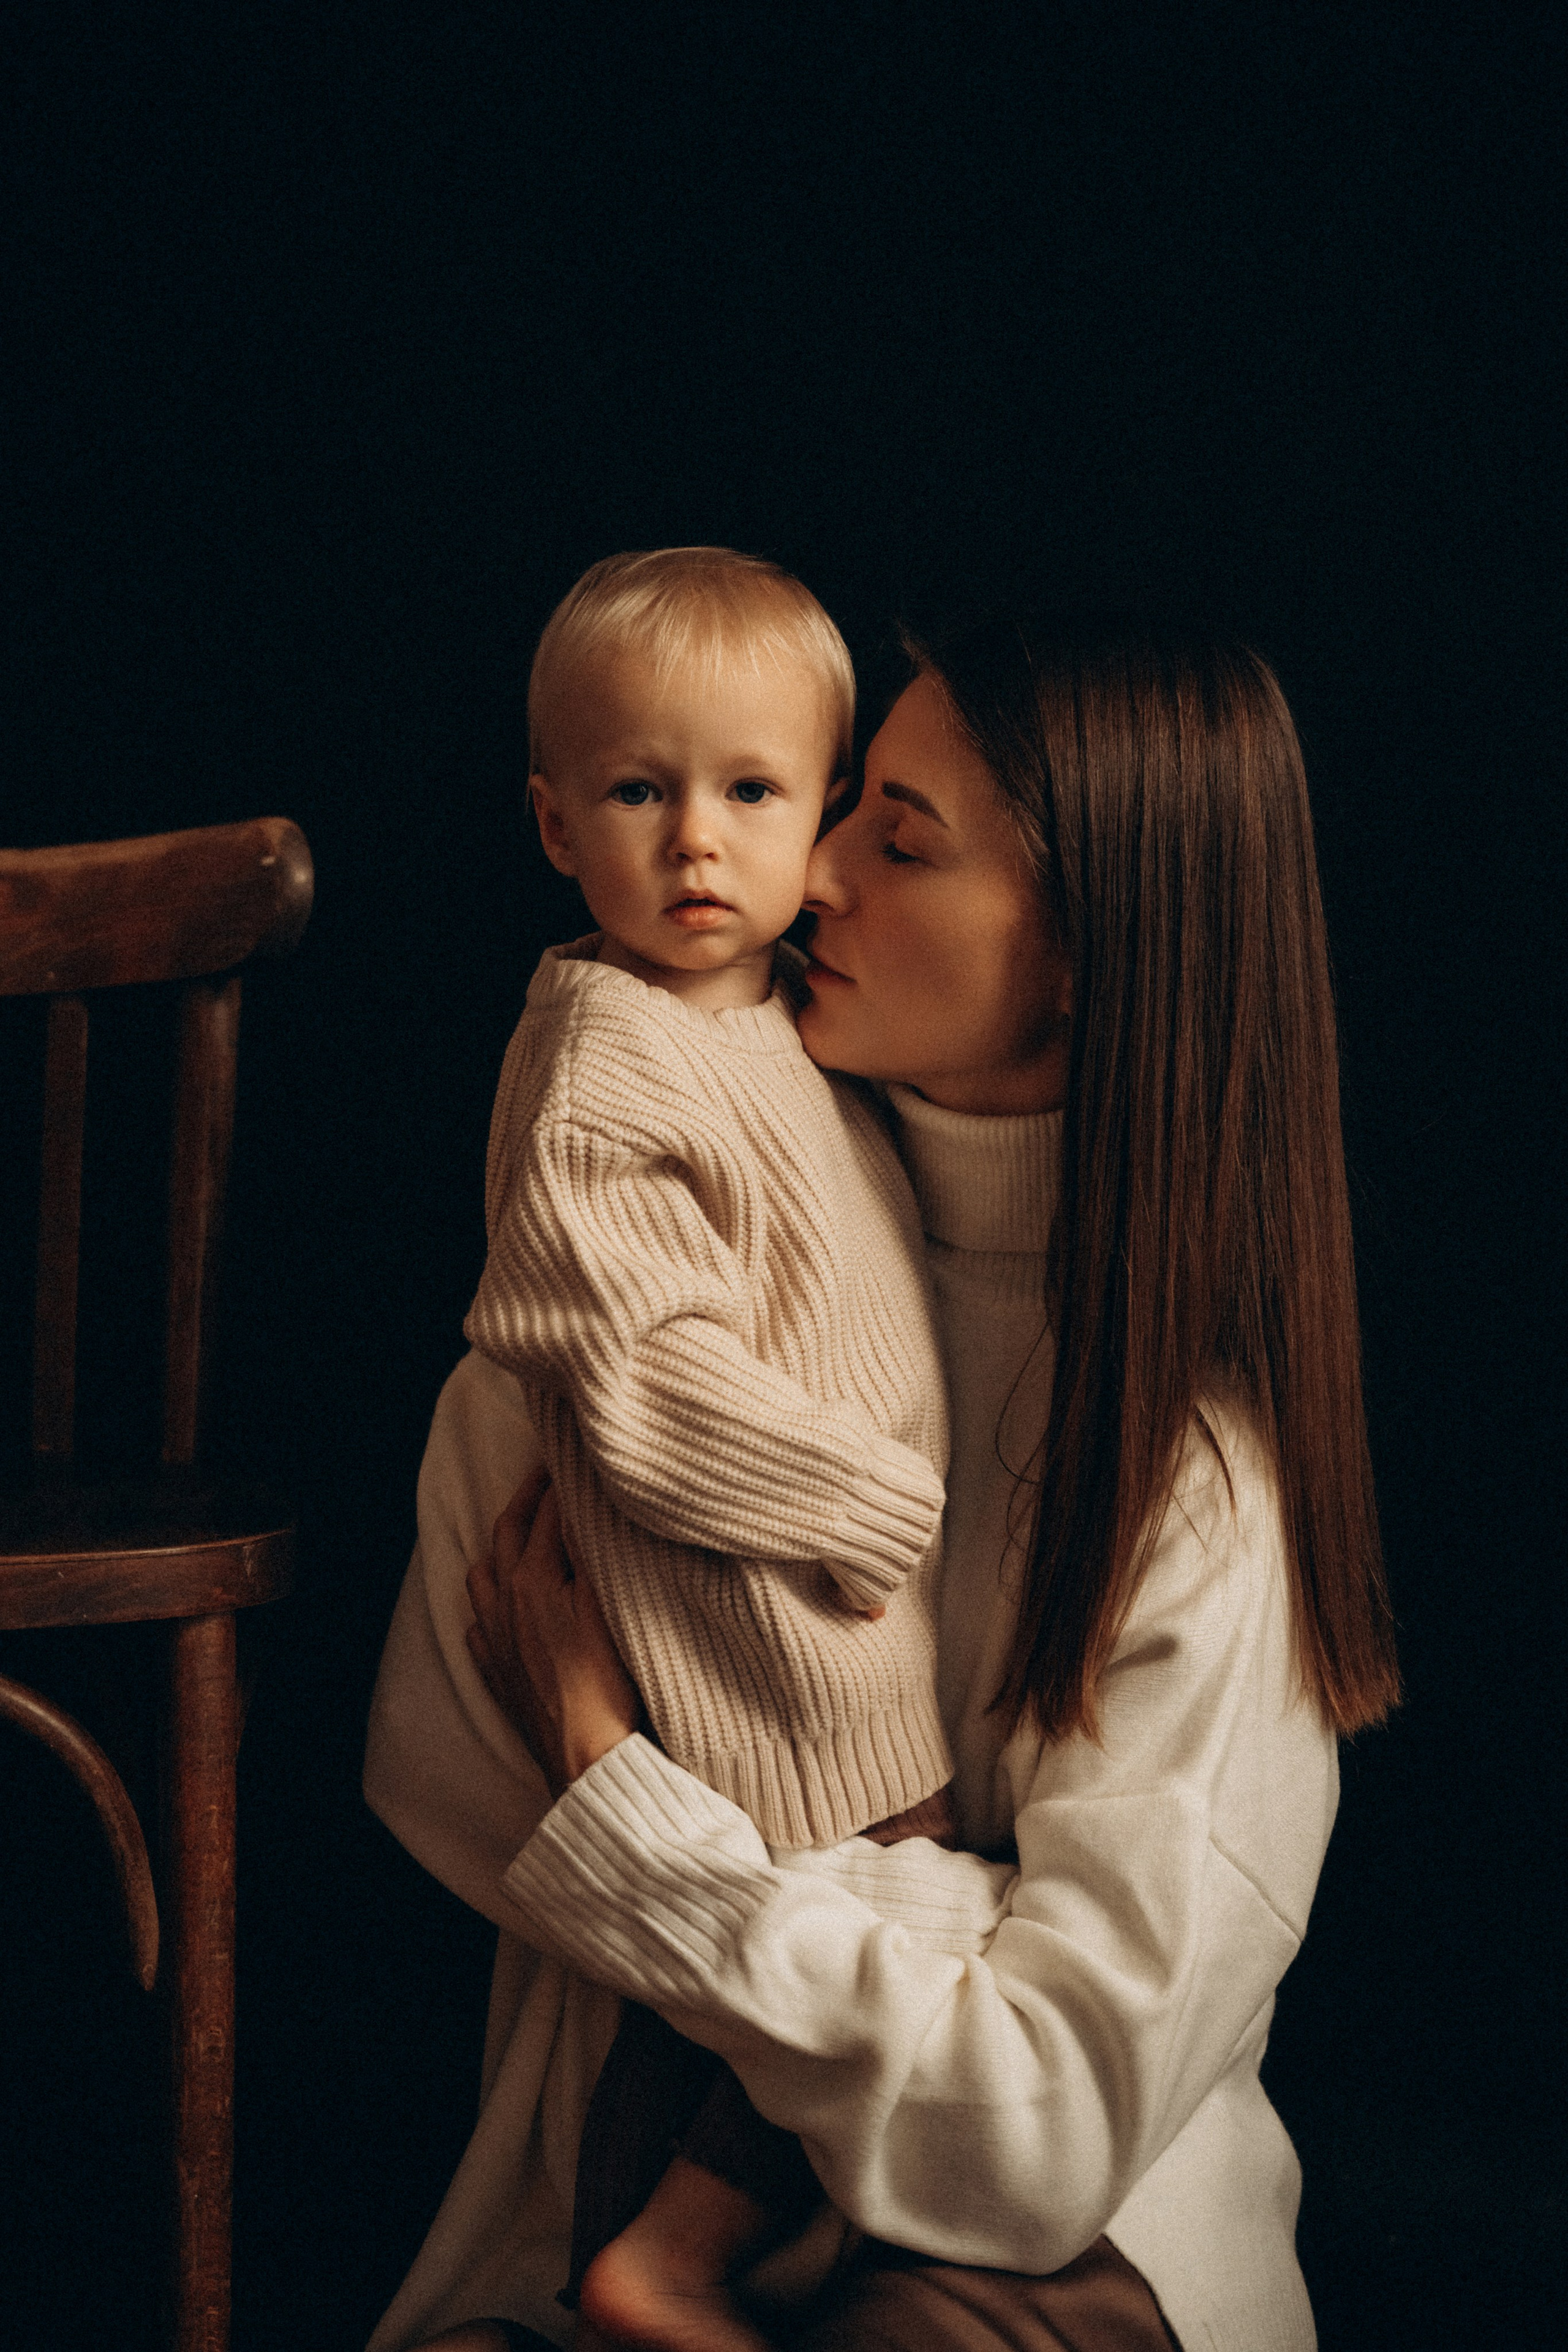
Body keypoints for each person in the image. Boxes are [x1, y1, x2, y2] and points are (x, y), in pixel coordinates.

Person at [364, 613, 1400, 2352]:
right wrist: (955, 1930)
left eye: (897, 839)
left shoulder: (1201, 1488)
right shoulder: (645, 1292)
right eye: (842, 806)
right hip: (611, 2200)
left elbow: (1045, 2133)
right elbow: (438, 1767)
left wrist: (624, 1792)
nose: (804, 873)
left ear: (1088, 951)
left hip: (1061, 2274)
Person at [451, 545, 973, 2350]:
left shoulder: (782, 1028)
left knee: (859, 1968)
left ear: (821, 814)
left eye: (749, 792)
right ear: (550, 824)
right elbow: (650, 1388)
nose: (694, 843)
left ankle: (672, 2255)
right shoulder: (604, 1060)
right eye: (635, 792)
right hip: (756, 1621)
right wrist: (874, 1502)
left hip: (841, 1617)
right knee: (827, 1950)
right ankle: (646, 2268)